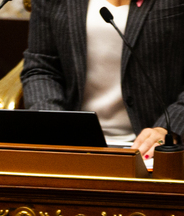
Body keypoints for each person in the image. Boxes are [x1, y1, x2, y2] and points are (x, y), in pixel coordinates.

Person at [21, 0, 184, 159]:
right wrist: (55, 121)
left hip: (158, 146)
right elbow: (41, 66)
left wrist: (169, 129)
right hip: (71, 145)